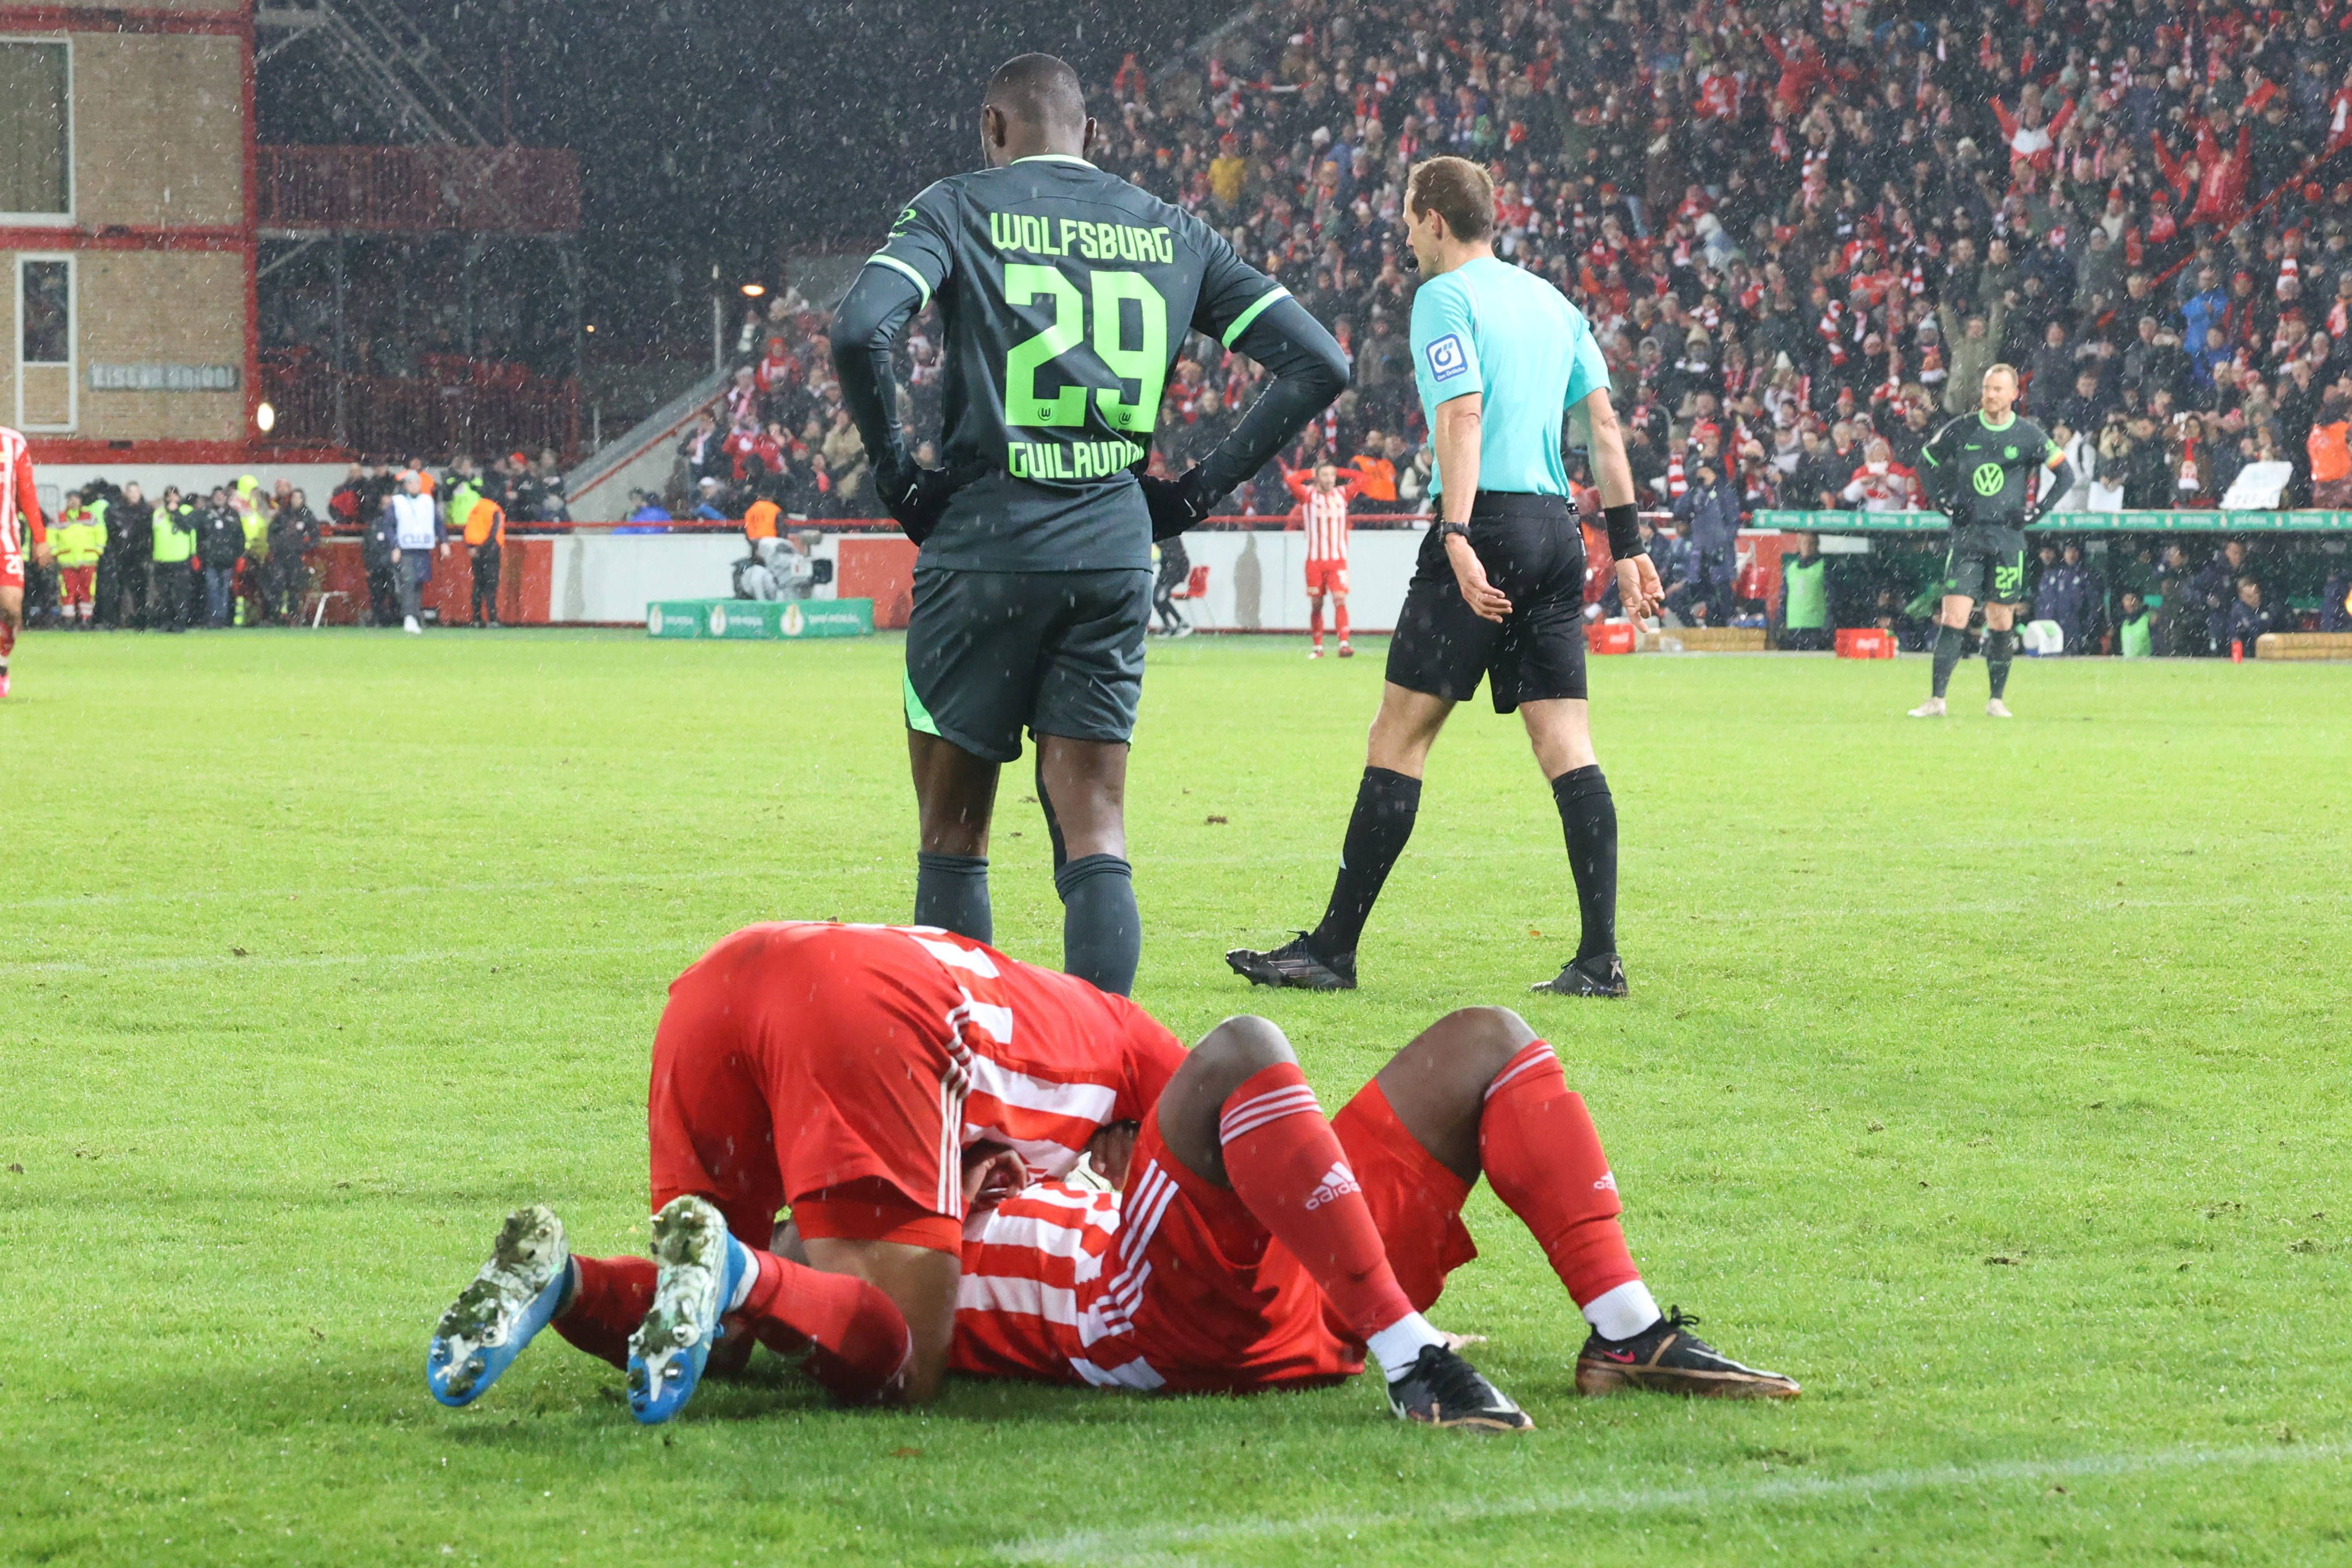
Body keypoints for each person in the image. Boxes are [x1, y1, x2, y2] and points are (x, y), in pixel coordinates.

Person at [829, 53, 1347, 996]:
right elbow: (1318, 362)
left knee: (954, 833)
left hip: (983, 540)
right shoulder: (1173, 229)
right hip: (1111, 543)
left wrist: (902, 479)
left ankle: (977, 1088)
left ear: (992, 128)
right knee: (1096, 823)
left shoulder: (958, 206)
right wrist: (1190, 494)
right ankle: (1105, 1091)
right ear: (1093, 138)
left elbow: (860, 328)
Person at [422, 920, 1191, 1416]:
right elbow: (1196, 1170)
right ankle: (735, 1270)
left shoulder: (1062, 1013)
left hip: (725, 978)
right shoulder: (1147, 1068)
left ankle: (563, 1280)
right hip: (865, 1008)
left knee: (714, 1340)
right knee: (909, 1366)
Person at [1228, 155, 1662, 999]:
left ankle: (1331, 949)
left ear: (1432, 218)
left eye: (1404, 218)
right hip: (1555, 530)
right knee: (1566, 746)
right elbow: (1602, 429)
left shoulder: (1442, 299)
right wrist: (1631, 541)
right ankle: (1598, 958)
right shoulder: (1553, 303)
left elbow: (1462, 416)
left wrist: (1455, 532)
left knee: (1399, 737)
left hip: (1486, 522)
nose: (1400, 234)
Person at [956, 1006, 1797, 1408]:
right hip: (1140, 1312)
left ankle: (1627, 1333)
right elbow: (872, 1327)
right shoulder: (874, 1241)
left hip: (1289, 1277)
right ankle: (1413, 1362)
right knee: (1243, 1047)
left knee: (1488, 1041)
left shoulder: (963, 1139)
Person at [1908, 365, 2074, 719]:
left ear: (2015, 394)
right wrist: (1941, 502)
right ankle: (1937, 699)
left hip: (2006, 540)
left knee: (2000, 622)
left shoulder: (2029, 435)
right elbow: (1924, 463)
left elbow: (2065, 474)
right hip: (1967, 538)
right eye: (1987, 388)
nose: (1991, 395)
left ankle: (1996, 699)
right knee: (1954, 617)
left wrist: (2036, 512)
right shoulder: (1963, 428)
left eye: (1998, 389)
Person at [1284, 460, 1363, 658]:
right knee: (1317, 604)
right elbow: (1291, 479)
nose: (1329, 479)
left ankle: (1344, 644)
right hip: (1315, 561)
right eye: (1325, 475)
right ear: (1318, 477)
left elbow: (1362, 479)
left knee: (1339, 599)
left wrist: (1339, 470)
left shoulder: (1342, 494)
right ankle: (1318, 647)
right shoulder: (1308, 495)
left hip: (1337, 560)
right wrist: (1311, 471)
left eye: (1332, 475)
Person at [0, 425, 52, 697]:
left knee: (11, 608)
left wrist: (40, 538)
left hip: (5, 540)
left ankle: (1, 664)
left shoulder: (13, 442)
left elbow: (28, 494)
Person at [387, 470, 442, 635]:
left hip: (422, 548)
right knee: (408, 582)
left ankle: (414, 614)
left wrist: (444, 541)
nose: (414, 486)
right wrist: (395, 545)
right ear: (405, 486)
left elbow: (438, 522)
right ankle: (409, 616)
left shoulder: (427, 501)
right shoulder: (397, 502)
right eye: (411, 483)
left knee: (419, 582)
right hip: (406, 549)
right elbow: (389, 526)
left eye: (417, 483)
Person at [264, 489, 321, 624]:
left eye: (298, 498)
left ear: (303, 500)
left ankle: (292, 616)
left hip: (296, 556)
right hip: (280, 555)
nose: (295, 501)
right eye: (294, 498)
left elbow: (315, 537)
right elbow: (271, 532)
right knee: (277, 585)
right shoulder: (283, 514)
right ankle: (276, 615)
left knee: (294, 587)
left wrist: (302, 547)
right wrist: (275, 545)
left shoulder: (308, 516)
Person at [51, 490, 104, 629]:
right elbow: (50, 536)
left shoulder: (90, 516)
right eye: (70, 499)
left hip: (88, 560)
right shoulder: (59, 518)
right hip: (67, 561)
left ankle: (85, 619)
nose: (73, 501)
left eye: (75, 499)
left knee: (87, 591)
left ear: (81, 501)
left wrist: (98, 550)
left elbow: (101, 534)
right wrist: (55, 552)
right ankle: (69, 620)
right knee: (67, 591)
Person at [148, 487, 198, 633]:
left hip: (180, 558)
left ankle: (180, 623)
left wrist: (175, 513)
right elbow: (154, 534)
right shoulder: (158, 513)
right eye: (169, 497)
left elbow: (188, 529)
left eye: (174, 496)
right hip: (162, 558)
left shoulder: (187, 511)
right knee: (164, 594)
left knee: (181, 594)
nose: (172, 500)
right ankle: (165, 622)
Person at [195, 487, 244, 629]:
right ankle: (213, 618)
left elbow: (240, 536)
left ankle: (221, 618)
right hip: (210, 559)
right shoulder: (205, 514)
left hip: (228, 560)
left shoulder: (233, 514)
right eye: (216, 495)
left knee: (224, 590)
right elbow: (199, 536)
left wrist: (240, 556)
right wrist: (198, 555)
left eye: (222, 495)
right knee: (212, 588)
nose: (219, 498)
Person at [1777, 532, 1832, 651]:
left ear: (1817, 545)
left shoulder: (1824, 567)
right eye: (1805, 543)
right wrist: (1781, 622)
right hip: (1794, 626)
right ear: (1799, 544)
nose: (1808, 547)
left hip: (1816, 627)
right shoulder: (1791, 569)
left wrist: (1828, 624)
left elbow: (1831, 598)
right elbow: (1784, 598)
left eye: (1811, 543)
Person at [461, 486, 507, 627]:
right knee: (491, 586)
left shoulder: (476, 508)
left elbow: (468, 530)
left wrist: (472, 548)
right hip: (490, 552)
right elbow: (493, 534)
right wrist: (483, 549)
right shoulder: (495, 509)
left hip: (475, 551)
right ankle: (493, 618)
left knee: (478, 585)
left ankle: (476, 618)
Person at [1149, 532, 1191, 636]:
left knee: (1158, 598)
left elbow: (1173, 557)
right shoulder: (1168, 534)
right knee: (1158, 599)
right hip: (1171, 570)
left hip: (1173, 571)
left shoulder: (1168, 537)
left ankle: (1178, 624)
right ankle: (1173, 625)